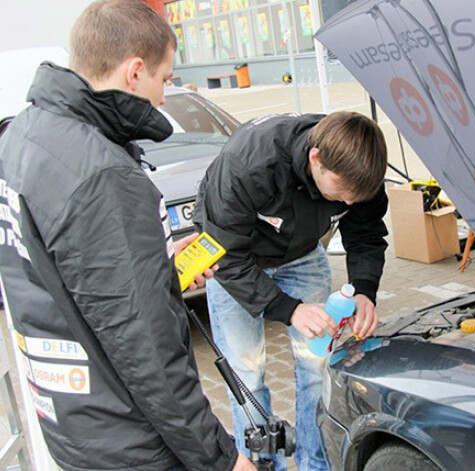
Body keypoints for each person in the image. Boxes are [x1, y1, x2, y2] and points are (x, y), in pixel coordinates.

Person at [0, 1, 254, 470]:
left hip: (71, 422)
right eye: (165, 78)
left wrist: (155, 265)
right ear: (135, 72)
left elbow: (62, 274)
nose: (164, 96)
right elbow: (147, 351)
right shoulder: (102, 174)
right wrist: (223, 459)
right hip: (129, 441)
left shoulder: (23, 135)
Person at [194, 111, 389, 470]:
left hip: (302, 253)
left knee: (317, 365)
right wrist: (289, 308)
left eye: (355, 196)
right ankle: (264, 463)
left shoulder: (359, 168)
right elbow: (225, 254)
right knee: (246, 372)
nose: (347, 202)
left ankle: (317, 462)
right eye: (341, 191)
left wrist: (364, 290)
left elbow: (366, 233)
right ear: (315, 158)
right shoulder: (249, 164)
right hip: (238, 259)